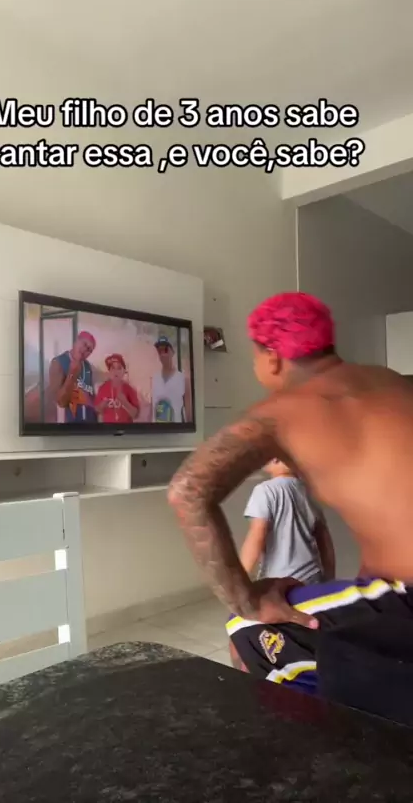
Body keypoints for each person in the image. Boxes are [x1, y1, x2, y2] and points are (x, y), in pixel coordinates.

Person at [167, 292, 413, 723]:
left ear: (272, 357)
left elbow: (187, 491)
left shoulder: (281, 411)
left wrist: (247, 601)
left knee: (247, 630)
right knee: (348, 619)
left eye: (255, 358)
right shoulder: (391, 381)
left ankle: (320, 748)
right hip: (393, 592)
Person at [240, 459, 335, 585]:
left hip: (280, 584)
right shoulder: (308, 493)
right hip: (312, 578)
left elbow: (257, 535)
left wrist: (240, 576)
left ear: (275, 460)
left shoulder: (265, 490)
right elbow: (324, 541)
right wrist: (329, 579)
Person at [48, 330, 97, 423]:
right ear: (76, 340)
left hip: (90, 423)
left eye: (89, 350)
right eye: (84, 344)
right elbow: (60, 402)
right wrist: (72, 374)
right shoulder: (58, 362)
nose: (85, 350)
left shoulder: (87, 366)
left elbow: (91, 397)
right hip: (70, 424)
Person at [152, 336, 191, 423]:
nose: (162, 354)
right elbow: (152, 408)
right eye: (159, 351)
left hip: (174, 430)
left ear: (172, 352)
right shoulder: (154, 378)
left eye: (165, 350)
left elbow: (189, 414)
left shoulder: (183, 379)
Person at [94, 354, 140, 424]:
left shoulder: (129, 389)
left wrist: (125, 402)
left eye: (119, 368)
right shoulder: (102, 388)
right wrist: (102, 406)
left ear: (124, 371)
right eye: (113, 368)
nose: (116, 371)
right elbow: (97, 410)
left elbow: (135, 415)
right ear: (109, 371)